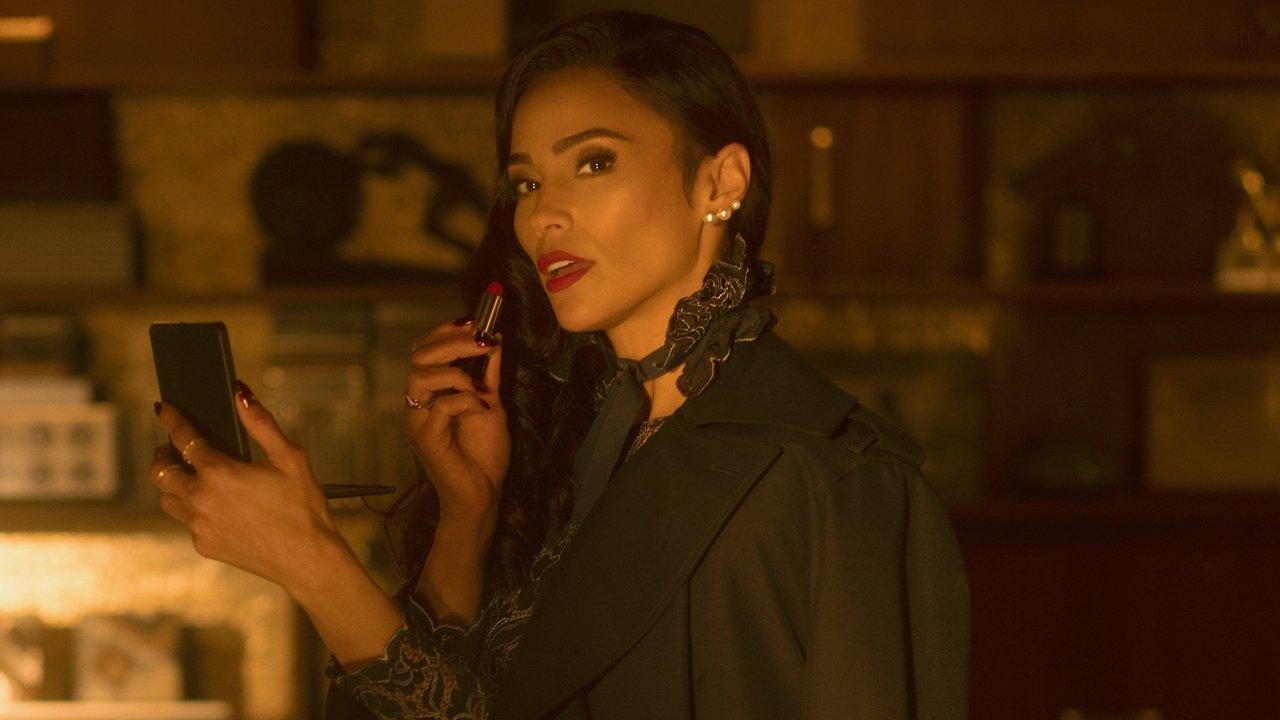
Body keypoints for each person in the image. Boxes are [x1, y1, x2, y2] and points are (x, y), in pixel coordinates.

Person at [148, 10, 970, 720]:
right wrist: (467, 516)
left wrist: (311, 560)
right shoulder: (579, 438)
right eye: (526, 182)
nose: (545, 213)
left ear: (720, 181)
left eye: (594, 162)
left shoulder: (832, 478)